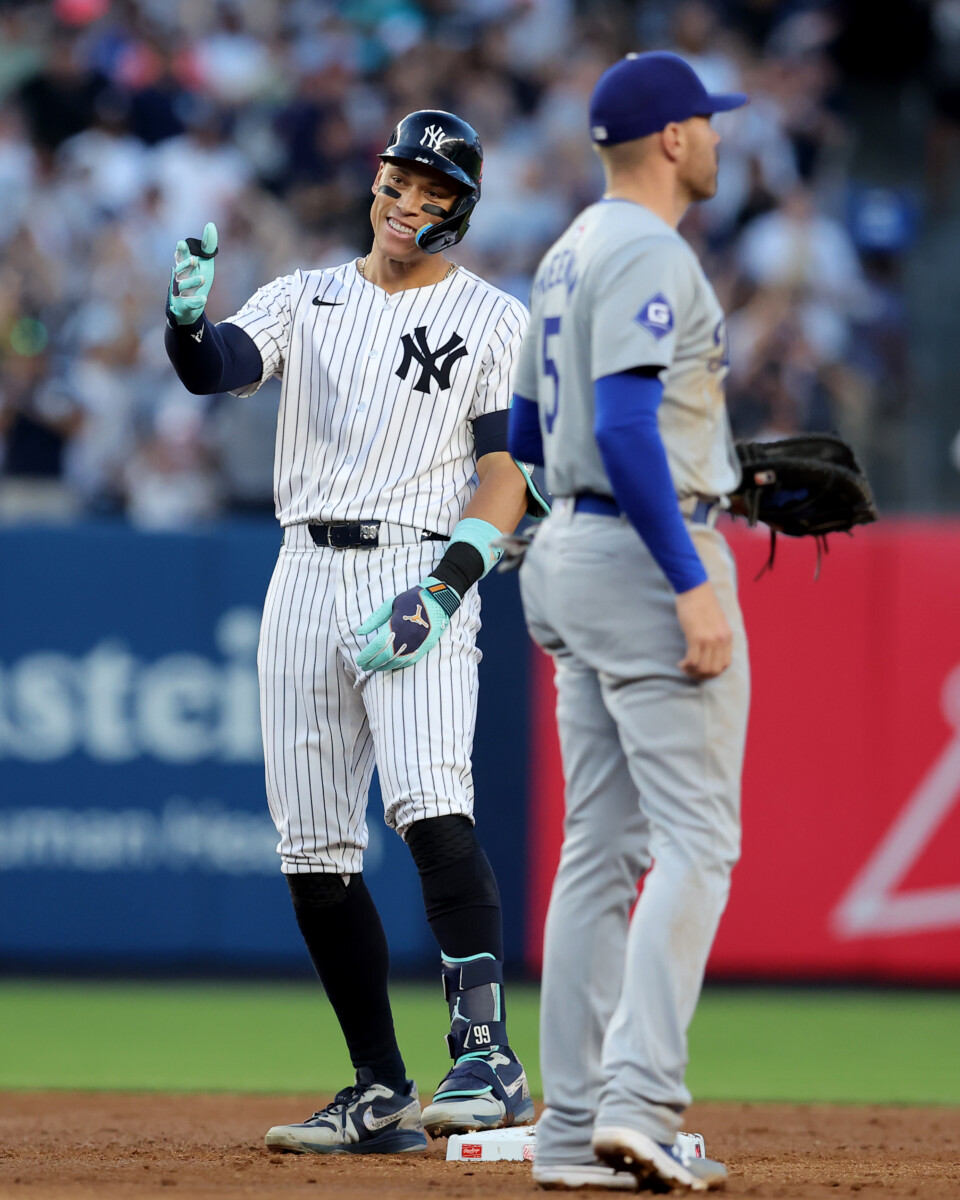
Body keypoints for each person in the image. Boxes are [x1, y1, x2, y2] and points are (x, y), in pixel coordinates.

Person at [164, 109, 543, 1155]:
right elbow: (219, 368)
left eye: (432, 192)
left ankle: (489, 1055)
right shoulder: (305, 293)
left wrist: (448, 587)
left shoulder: (490, 317)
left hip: (416, 562)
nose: (406, 201)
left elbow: (509, 479)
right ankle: (378, 1088)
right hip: (301, 569)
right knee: (314, 848)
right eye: (398, 179)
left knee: (429, 799)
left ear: (458, 213)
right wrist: (187, 327)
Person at [508, 54, 751, 1192]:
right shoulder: (653, 249)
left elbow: (519, 427)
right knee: (698, 840)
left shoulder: (565, 251)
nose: (716, 137)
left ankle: (568, 1140)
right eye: (707, 121)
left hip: (564, 551)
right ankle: (641, 1101)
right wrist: (686, 572)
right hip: (644, 555)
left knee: (599, 852)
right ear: (668, 139)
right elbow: (623, 422)